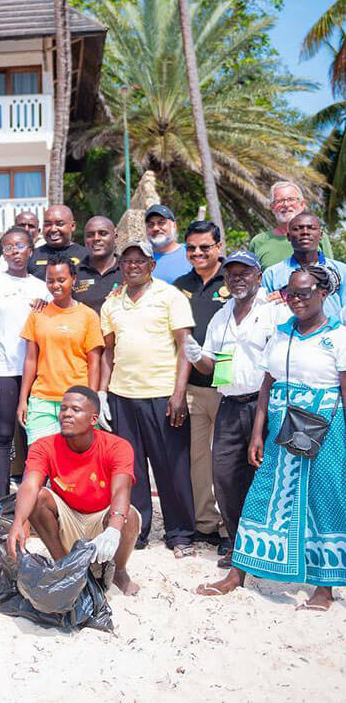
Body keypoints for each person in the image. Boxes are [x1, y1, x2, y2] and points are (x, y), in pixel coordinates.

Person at [227, 266, 346, 611]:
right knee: (261, 494)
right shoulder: (280, 333)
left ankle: (324, 588)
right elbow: (266, 385)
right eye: (291, 293)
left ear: (323, 295)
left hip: (327, 427)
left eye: (304, 293)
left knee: (325, 500)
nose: (296, 300)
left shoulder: (338, 336)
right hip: (282, 425)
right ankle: (237, 574)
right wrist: (256, 434)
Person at [99, 240, 196, 555]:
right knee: (132, 468)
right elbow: (108, 351)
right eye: (126, 261)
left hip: (162, 393)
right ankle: (137, 530)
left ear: (152, 265)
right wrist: (103, 392)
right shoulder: (112, 302)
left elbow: (185, 346)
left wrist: (179, 393)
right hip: (122, 395)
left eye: (139, 261)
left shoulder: (170, 296)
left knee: (172, 467)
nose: (132, 266)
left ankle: (179, 532)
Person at [184, 251, 276, 577]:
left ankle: (263, 550)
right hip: (229, 403)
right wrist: (196, 356)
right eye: (231, 273)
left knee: (261, 478)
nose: (237, 278)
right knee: (224, 478)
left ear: (258, 276)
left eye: (244, 272)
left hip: (264, 405)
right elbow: (213, 366)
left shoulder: (273, 311)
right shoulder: (221, 316)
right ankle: (239, 545)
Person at [7, 386, 141, 597]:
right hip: (68, 518)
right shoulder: (44, 446)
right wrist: (17, 523)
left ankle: (119, 571)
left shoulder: (117, 446)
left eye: (76, 409)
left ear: (93, 419)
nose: (67, 414)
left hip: (102, 518)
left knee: (130, 516)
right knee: (38, 498)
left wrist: (114, 530)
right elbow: (30, 485)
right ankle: (64, 566)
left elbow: (121, 490)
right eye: (64, 409)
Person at [0, 227, 51, 496]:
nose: (15, 252)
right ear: (3, 253)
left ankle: (35, 495)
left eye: (20, 246)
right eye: (8, 247)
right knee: (4, 434)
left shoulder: (42, 286)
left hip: (38, 370)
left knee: (36, 433)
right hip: (4, 369)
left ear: (31, 251)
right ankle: (4, 498)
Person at [173, 221, 228, 545]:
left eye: (204, 247)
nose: (197, 253)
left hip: (226, 387)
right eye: (191, 248)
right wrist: (179, 392)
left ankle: (227, 527)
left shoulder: (234, 277)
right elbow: (181, 340)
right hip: (193, 387)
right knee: (198, 460)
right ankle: (205, 524)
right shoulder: (181, 285)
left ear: (218, 246)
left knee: (224, 460)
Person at [18, 255, 104, 445]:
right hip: (42, 401)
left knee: (77, 464)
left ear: (73, 279)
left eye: (61, 280)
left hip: (78, 400)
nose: (55, 285)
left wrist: (92, 400)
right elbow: (30, 359)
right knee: (39, 460)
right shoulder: (38, 314)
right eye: (50, 280)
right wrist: (23, 400)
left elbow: (94, 363)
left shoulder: (88, 316)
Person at [261, 212, 346, 317]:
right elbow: (265, 312)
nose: (305, 232)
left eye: (311, 228)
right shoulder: (271, 274)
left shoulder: (341, 270)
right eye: (297, 228)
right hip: (286, 332)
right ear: (288, 237)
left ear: (321, 235)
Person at [249, 180, 334, 267]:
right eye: (279, 201)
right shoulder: (258, 242)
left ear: (302, 204)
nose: (285, 204)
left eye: (291, 199)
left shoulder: (318, 237)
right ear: (272, 207)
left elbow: (332, 272)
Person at [73, 216, 122, 313]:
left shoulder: (128, 270)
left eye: (103, 233)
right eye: (90, 235)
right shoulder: (73, 273)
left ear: (115, 237)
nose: (96, 238)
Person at [28, 205, 87, 279]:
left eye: (59, 224)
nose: (53, 229)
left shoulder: (86, 256)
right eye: (48, 224)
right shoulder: (32, 256)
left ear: (72, 226)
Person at [145, 205, 192, 284]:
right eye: (151, 225)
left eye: (161, 223)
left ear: (174, 226)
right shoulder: (142, 258)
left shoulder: (191, 253)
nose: (155, 228)